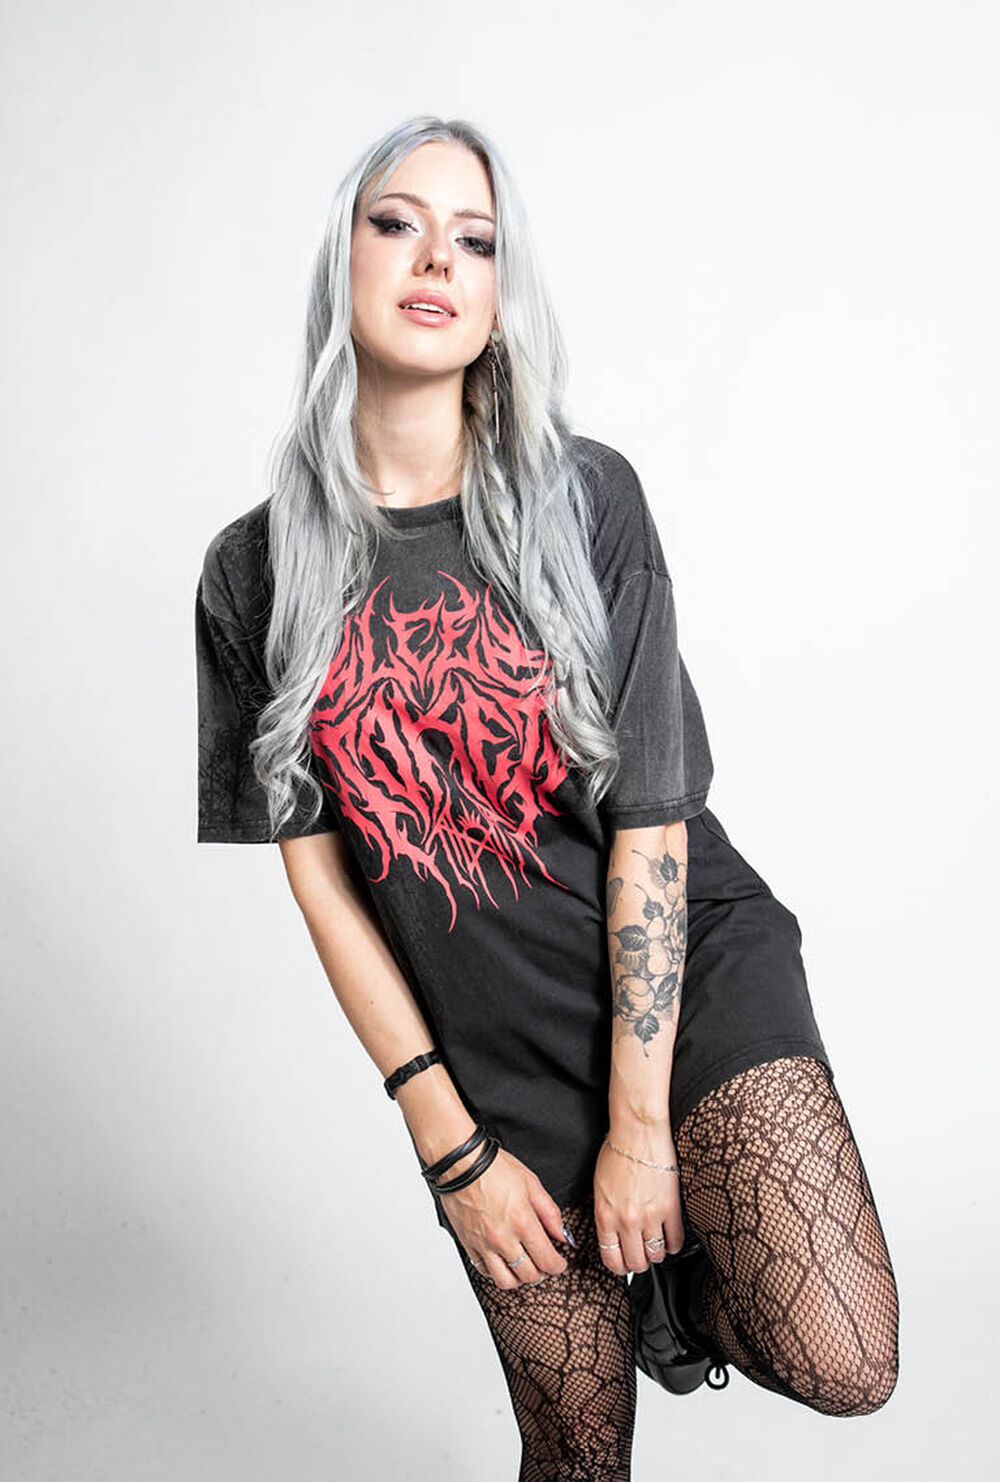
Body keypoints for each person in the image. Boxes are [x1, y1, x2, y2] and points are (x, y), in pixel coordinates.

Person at [195, 115, 899, 1476]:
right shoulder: (253, 572)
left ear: (500, 295)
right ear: (342, 258)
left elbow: (651, 823)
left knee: (842, 1352)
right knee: (576, 1447)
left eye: (476, 241)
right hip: (489, 1045)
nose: (435, 261)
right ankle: (641, 1287)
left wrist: (640, 1131)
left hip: (683, 976)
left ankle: (682, 1295)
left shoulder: (588, 497)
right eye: (398, 224)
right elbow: (321, 880)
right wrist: (447, 1141)